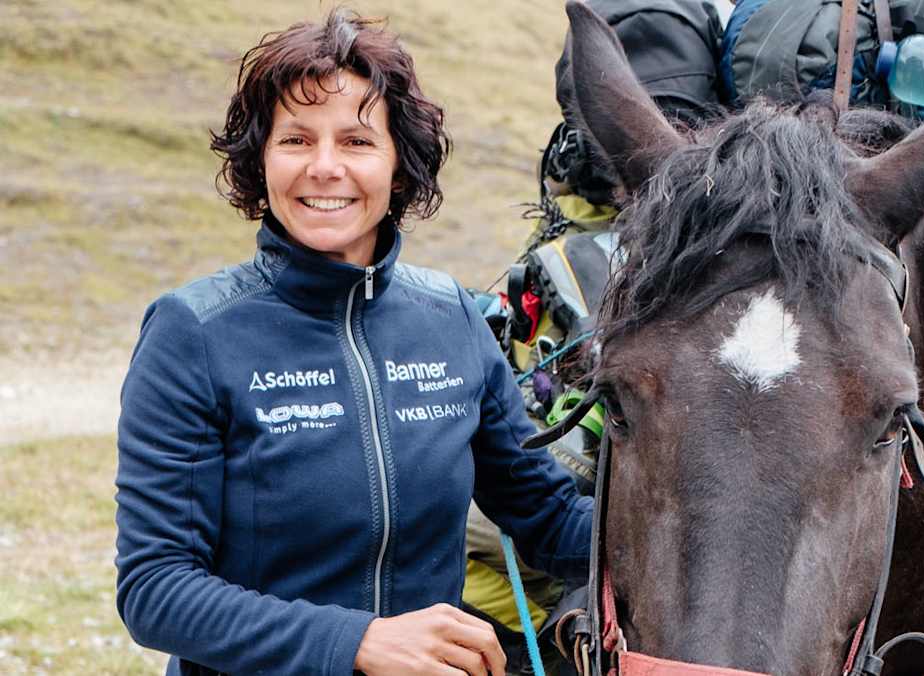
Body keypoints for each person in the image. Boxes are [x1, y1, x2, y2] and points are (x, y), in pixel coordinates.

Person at [113, 9, 593, 676]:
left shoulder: (449, 318)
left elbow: (547, 518)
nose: (325, 167)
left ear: (399, 166)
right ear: (261, 159)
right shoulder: (192, 333)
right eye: (296, 141)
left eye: (358, 142)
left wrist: (713, 527)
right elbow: (155, 590)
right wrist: (358, 643)